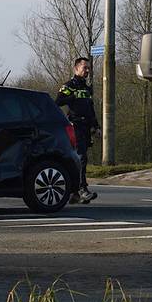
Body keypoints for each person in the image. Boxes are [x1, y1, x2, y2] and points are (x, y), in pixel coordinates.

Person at [56, 56, 98, 204]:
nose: (87, 71)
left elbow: (90, 109)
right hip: (75, 125)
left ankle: (74, 194)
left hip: (86, 127)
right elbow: (57, 102)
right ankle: (82, 190)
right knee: (81, 158)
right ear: (76, 68)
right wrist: (72, 97)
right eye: (84, 68)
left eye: (88, 68)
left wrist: (96, 126)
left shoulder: (87, 88)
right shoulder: (69, 86)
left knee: (81, 159)